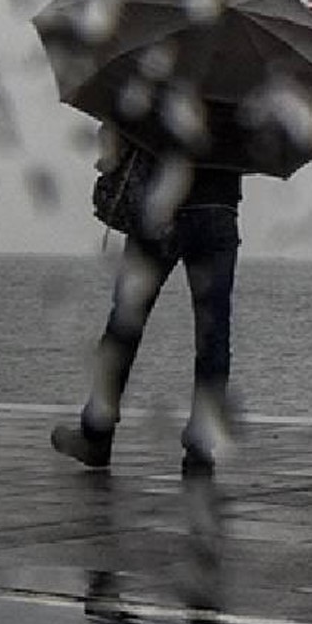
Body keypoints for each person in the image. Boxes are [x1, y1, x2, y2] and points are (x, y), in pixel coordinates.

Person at [52, 120, 243, 474]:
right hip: (218, 210)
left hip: (161, 208)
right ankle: (201, 446)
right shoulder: (245, 80)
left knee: (125, 323)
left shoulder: (164, 71)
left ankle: (97, 432)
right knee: (214, 333)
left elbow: (126, 127)